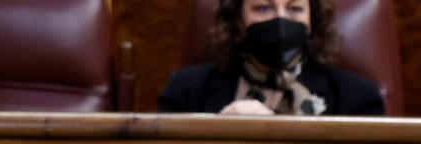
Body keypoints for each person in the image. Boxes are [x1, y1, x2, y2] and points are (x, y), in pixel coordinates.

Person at [159, 0, 385, 115]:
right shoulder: (185, 91)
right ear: (237, 22)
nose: (281, 21)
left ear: (311, 22)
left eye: (295, 9)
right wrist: (218, 133)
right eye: (263, 7)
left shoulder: (357, 98)